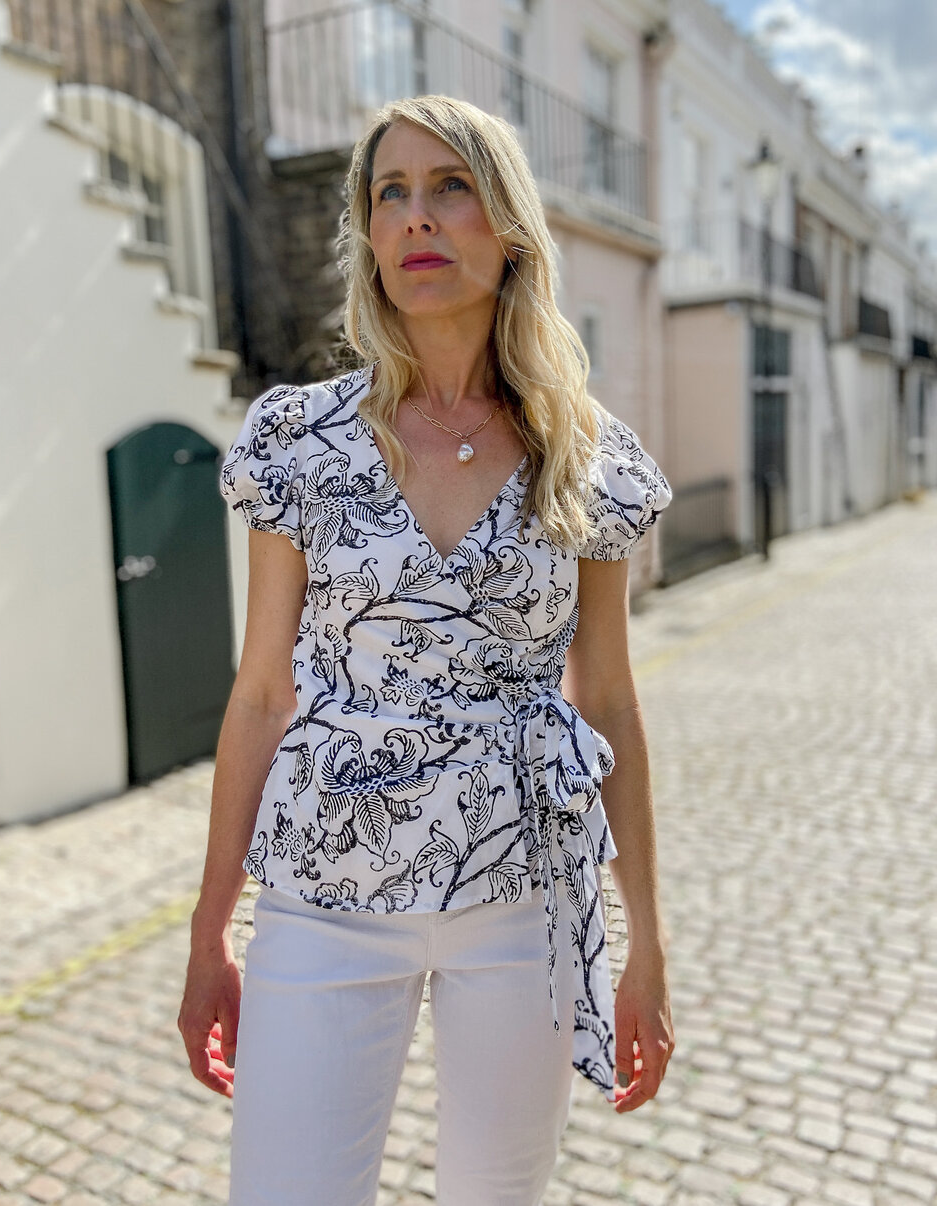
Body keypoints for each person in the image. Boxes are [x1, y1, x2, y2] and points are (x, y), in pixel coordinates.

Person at [178, 93, 676, 1206]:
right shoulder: (300, 443)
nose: (416, 217)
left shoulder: (588, 456)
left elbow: (609, 703)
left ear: (507, 226)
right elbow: (260, 694)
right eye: (389, 194)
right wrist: (211, 931)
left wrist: (645, 941)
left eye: (449, 186)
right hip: (322, 895)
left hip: (526, 895)